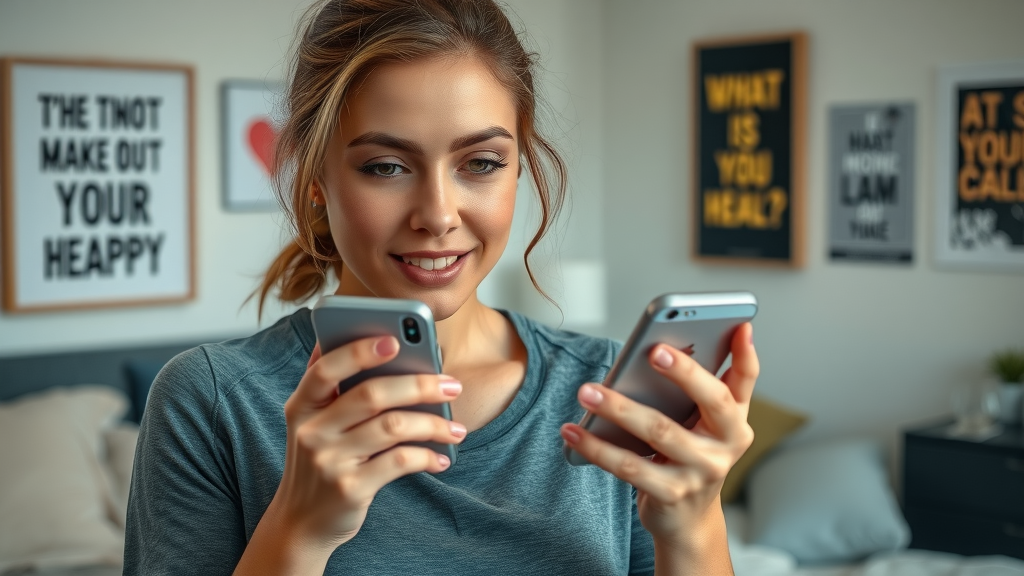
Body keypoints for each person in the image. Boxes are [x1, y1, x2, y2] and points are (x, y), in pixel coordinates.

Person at [123, 0, 759, 574]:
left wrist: (695, 524)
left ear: (520, 170)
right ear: (317, 177)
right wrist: (300, 528)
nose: (438, 214)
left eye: (480, 164)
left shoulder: (610, 395)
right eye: (386, 167)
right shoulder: (211, 402)